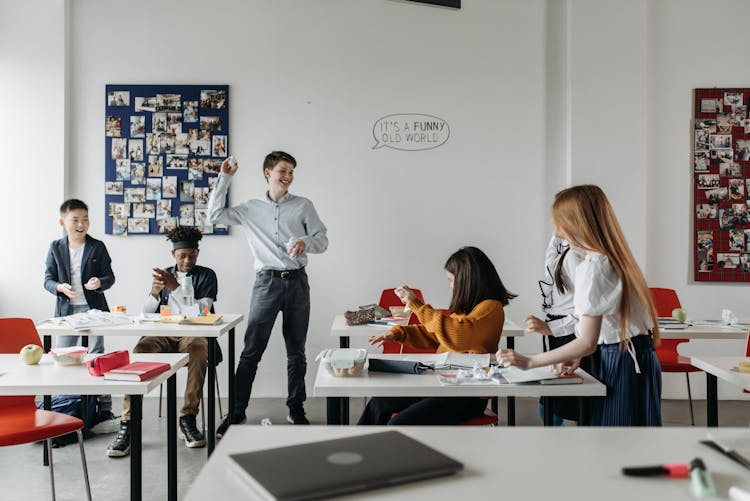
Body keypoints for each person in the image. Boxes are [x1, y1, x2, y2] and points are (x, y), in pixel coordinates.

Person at [497, 185, 662, 426]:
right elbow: (607, 329)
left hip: (622, 362)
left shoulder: (593, 268)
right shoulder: (616, 259)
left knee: (613, 444)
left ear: (575, 223)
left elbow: (587, 342)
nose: (555, 229)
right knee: (637, 444)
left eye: (559, 221)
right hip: (641, 357)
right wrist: (576, 355)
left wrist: (530, 361)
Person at [209, 151, 328, 434]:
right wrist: (224, 177)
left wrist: (304, 243)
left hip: (298, 282)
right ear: (268, 172)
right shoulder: (250, 209)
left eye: (291, 173)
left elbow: (323, 241)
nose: (288, 177)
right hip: (266, 283)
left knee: (296, 351)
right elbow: (214, 216)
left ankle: (296, 409)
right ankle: (236, 413)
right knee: (251, 351)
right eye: (283, 171)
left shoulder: (303, 206)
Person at [357, 246, 516, 425]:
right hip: (443, 384)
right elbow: (437, 336)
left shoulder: (491, 308)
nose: (450, 286)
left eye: (451, 280)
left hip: (466, 395)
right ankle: (361, 451)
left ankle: (391, 452)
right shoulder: (467, 310)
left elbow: (458, 337)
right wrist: (399, 333)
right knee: (379, 403)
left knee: (400, 424)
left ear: (466, 281)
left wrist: (416, 305)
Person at [107, 226, 218, 457]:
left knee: (199, 349)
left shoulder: (206, 275)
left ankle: (187, 417)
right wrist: (155, 294)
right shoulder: (164, 274)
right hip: (163, 332)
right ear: (173, 256)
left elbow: (202, 311)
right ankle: (129, 423)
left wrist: (175, 288)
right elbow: (147, 313)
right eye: (182, 256)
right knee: (140, 350)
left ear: (197, 253)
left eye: (192, 255)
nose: (188, 260)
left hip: (193, 332)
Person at [44, 198, 116, 421]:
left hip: (94, 312)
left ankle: (103, 408)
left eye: (85, 219)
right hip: (66, 314)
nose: (81, 224)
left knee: (97, 358)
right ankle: (61, 406)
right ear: (62, 222)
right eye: (75, 219)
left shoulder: (97, 246)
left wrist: (99, 282)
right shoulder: (55, 247)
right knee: (63, 359)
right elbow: (47, 279)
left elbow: (110, 277)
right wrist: (59, 287)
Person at [527, 234, 586, 425]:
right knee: (552, 396)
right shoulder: (561, 245)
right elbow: (550, 263)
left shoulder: (576, 255)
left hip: (571, 333)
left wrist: (552, 327)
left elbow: (586, 309)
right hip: (558, 330)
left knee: (576, 397)